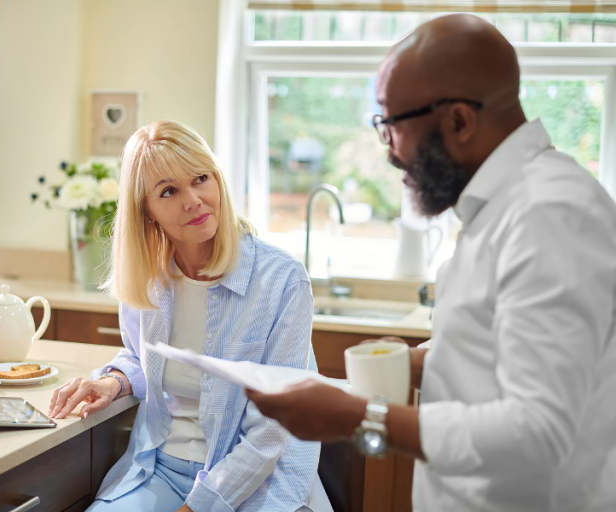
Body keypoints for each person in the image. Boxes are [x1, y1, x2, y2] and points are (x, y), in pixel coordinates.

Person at [246, 13, 616, 512]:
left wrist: (358, 418)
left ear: (459, 120)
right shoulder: (500, 207)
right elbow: (498, 351)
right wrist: (415, 361)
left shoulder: (550, 215)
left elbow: (537, 433)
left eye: (391, 123)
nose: (388, 148)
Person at [47, 120, 331, 512]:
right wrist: (114, 382)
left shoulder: (281, 280)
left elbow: (270, 432)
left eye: (201, 178)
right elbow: (143, 358)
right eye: (169, 191)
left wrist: (197, 508)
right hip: (159, 468)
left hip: (255, 481)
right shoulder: (148, 278)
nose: (193, 199)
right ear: (147, 212)